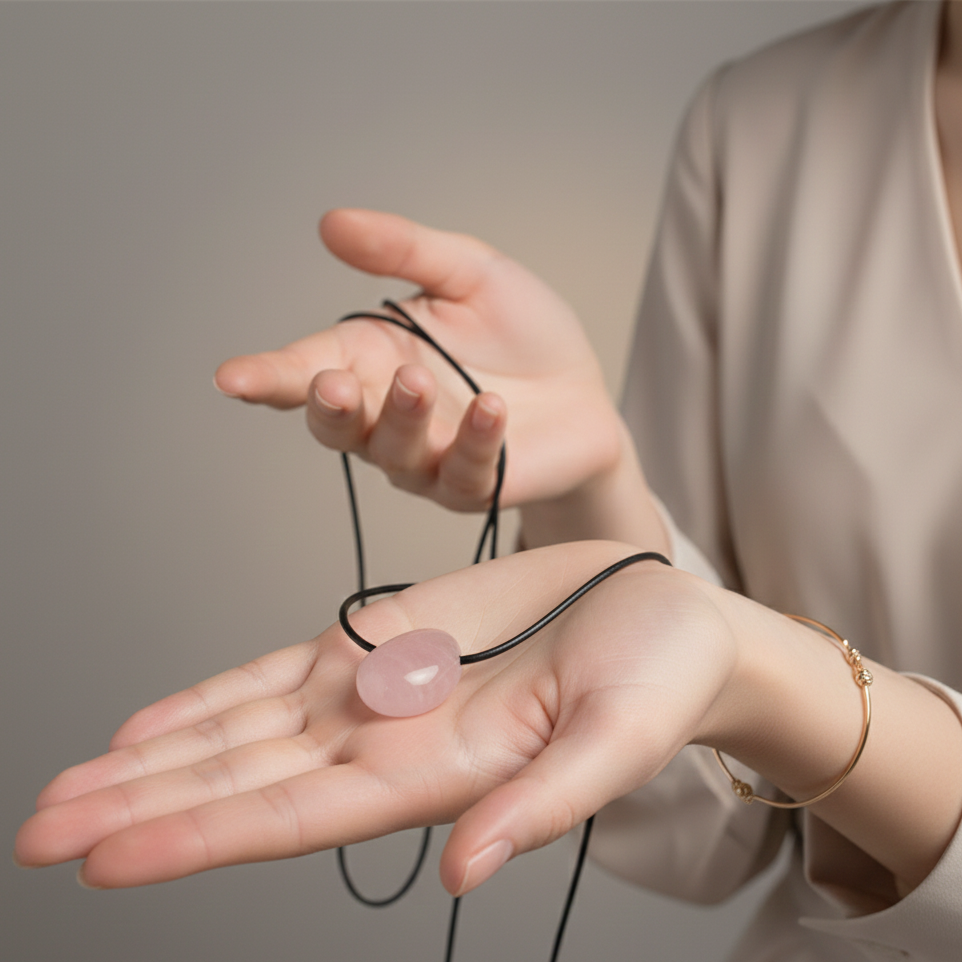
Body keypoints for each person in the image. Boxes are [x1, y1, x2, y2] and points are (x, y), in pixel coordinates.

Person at [14, 2, 962, 959]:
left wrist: (765, 671)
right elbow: (706, 833)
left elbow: (727, 673)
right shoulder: (769, 117)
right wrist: (585, 486)